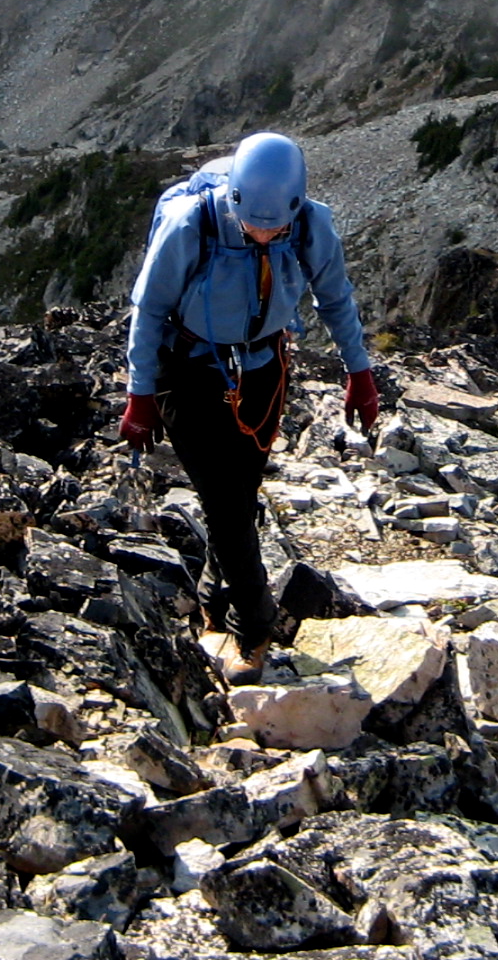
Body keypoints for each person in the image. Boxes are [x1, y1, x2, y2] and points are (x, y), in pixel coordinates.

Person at [119, 132, 379, 681]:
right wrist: (140, 395)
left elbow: (335, 297)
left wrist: (360, 372)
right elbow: (148, 311)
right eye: (255, 226)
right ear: (234, 200)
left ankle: (213, 600)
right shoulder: (193, 223)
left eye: (275, 226)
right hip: (186, 373)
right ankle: (255, 627)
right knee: (226, 501)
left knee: (239, 494)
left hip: (263, 371)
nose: (265, 234)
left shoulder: (310, 224)